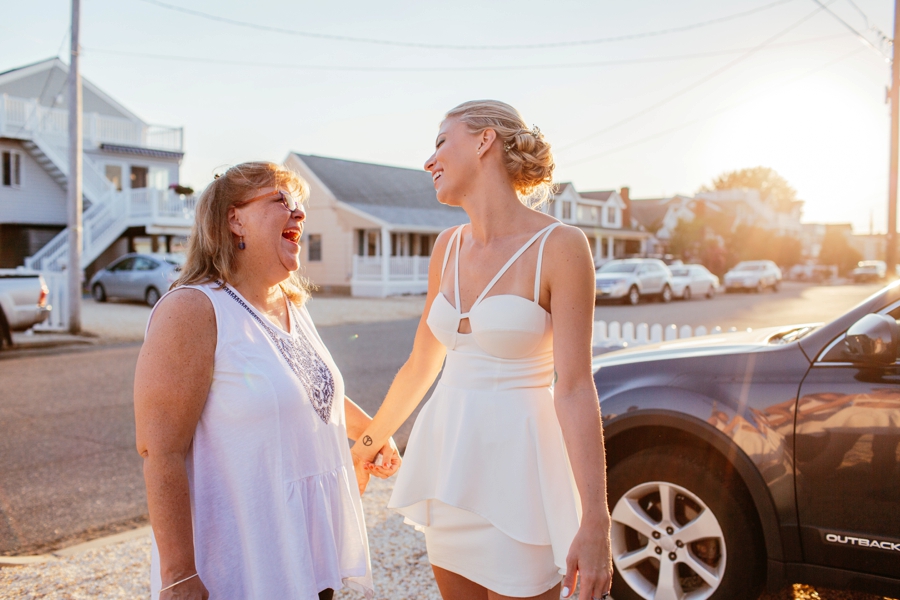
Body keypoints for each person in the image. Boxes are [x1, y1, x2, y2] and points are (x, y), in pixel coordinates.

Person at [352, 101, 613, 600]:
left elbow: (576, 388)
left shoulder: (561, 246)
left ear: (484, 140)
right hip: (449, 468)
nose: (429, 161)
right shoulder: (446, 246)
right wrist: (363, 448)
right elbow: (420, 366)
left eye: (440, 142)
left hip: (522, 475)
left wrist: (596, 519)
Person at [134, 161, 398, 600]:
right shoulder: (192, 309)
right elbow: (160, 450)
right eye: (282, 200)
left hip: (308, 550)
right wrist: (178, 576)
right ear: (234, 219)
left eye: (300, 204)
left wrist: (373, 434)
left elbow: (309, 390)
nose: (299, 213)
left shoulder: (290, 304)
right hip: (244, 564)